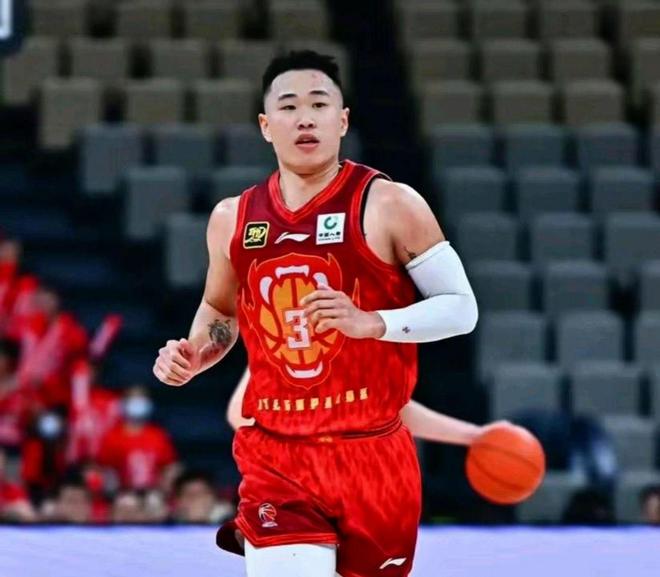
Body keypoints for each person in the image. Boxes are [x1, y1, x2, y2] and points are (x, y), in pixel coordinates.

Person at [153, 50, 485, 577]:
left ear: (343, 120)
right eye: (288, 107)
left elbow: (461, 309)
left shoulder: (391, 204)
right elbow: (219, 310)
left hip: (374, 456)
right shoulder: (232, 218)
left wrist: (373, 322)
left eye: (319, 104)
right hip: (278, 456)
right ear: (266, 126)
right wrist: (196, 353)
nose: (304, 118)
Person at [97, 386, 179, 492]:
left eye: (141, 398)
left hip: (154, 492)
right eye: (133, 398)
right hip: (123, 492)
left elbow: (168, 466)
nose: (137, 403)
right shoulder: (112, 436)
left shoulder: (157, 435)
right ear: (123, 403)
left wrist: (161, 490)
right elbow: (107, 470)